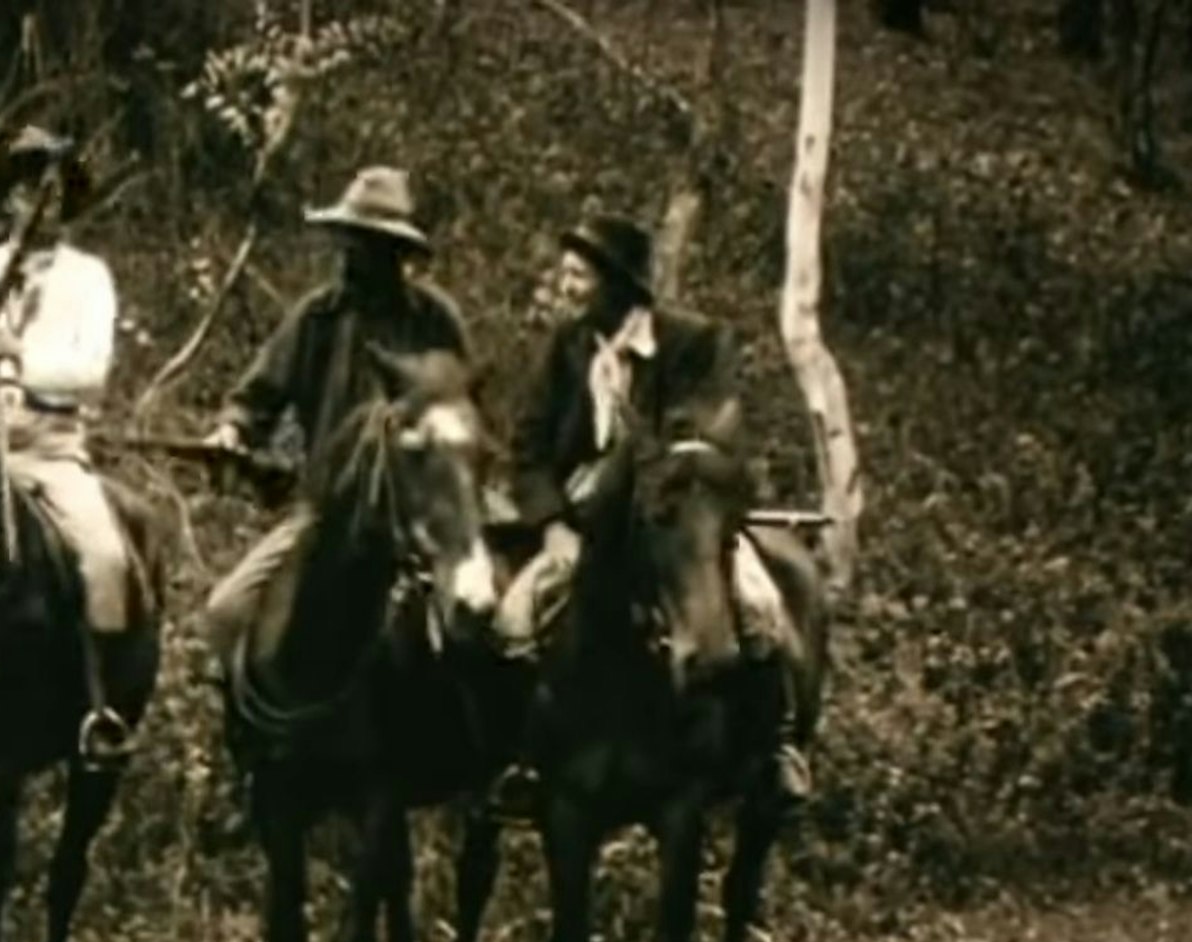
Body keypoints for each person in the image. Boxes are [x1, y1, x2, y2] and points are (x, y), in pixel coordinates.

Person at [495, 213, 811, 804]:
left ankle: (776, 746)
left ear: (616, 283)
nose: (566, 288)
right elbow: (528, 446)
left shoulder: (692, 341)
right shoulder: (566, 347)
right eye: (564, 274)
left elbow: (699, 431)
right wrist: (553, 523)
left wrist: (654, 483)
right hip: (582, 520)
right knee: (514, 620)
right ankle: (524, 762)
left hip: (676, 513)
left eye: (578, 276)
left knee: (760, 607)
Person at [0, 125, 145, 768]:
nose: (37, 201)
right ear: (6, 198)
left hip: (49, 451)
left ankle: (101, 707)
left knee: (105, 558)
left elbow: (91, 373)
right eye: (25, 187)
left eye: (49, 188)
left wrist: (18, 354)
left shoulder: (88, 279)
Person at [199, 165, 472, 670]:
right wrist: (232, 429)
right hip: (327, 514)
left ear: (394, 252)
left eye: (366, 244)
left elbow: (463, 413)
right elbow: (257, 396)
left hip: (418, 514)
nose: (350, 255)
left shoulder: (432, 320)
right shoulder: (317, 317)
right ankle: (242, 714)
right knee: (228, 613)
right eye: (347, 240)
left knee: (468, 631)